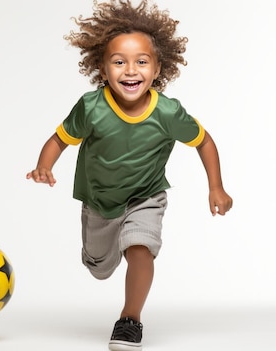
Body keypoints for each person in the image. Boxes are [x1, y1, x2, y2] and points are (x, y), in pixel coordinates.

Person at [26, 0, 233, 349]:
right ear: (102, 67)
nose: (130, 70)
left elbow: (205, 141)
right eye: (119, 62)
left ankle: (130, 320)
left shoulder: (168, 112)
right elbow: (59, 139)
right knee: (100, 268)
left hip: (145, 196)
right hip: (100, 202)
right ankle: (98, 255)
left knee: (141, 249)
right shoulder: (91, 107)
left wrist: (216, 187)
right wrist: (44, 165)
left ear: (157, 68)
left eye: (141, 62)